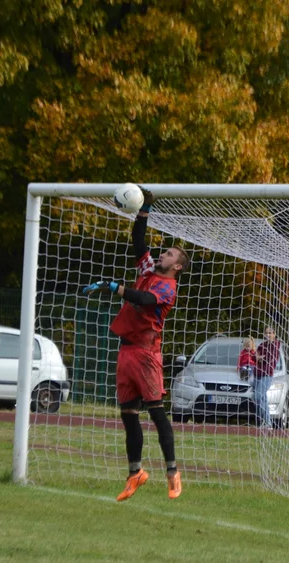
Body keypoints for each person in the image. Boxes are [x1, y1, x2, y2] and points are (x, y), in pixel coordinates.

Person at [82, 189, 190, 502]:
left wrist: (114, 287)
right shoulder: (147, 269)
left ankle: (172, 473)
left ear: (177, 266)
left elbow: (144, 299)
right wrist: (145, 208)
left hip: (146, 354)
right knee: (128, 415)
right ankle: (135, 474)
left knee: (156, 413)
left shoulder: (168, 288)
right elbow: (138, 241)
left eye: (169, 254)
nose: (163, 254)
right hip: (127, 350)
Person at [252, 326, 281, 428]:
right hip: (257, 373)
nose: (268, 335)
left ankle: (266, 421)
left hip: (267, 374)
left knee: (258, 396)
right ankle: (267, 422)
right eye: (266, 333)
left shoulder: (276, 345)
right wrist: (257, 358)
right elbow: (254, 356)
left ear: (274, 334)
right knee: (262, 398)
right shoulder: (262, 345)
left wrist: (260, 359)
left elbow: (269, 359)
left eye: (270, 333)